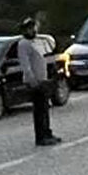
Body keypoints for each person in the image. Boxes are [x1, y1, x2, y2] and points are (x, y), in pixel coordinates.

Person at [17, 17, 60, 147]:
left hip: (43, 79)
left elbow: (48, 45)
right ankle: (41, 136)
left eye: (33, 28)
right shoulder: (23, 44)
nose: (32, 30)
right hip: (35, 82)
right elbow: (25, 65)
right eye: (29, 29)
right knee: (39, 111)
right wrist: (32, 80)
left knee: (45, 109)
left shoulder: (36, 42)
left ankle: (47, 132)